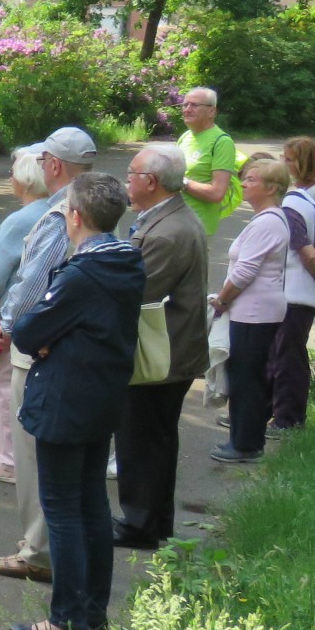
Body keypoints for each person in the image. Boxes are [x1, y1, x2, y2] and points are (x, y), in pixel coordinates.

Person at [7, 173, 145, 630]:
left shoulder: (82, 273)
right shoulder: (127, 260)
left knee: (63, 510)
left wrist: (48, 339)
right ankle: (93, 611)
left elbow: (28, 332)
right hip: (102, 395)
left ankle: (65, 618)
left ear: (76, 217)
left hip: (66, 401)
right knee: (91, 508)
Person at [0, 126, 97, 584]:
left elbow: (32, 283)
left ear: (53, 165)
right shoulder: (100, 203)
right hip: (80, 342)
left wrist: (5, 325)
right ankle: (53, 543)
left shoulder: (58, 213)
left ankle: (38, 550)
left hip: (42, 346)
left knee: (32, 454)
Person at [112, 144, 210, 550]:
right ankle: (153, 521)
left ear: (150, 182)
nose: (127, 181)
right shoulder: (167, 219)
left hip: (160, 355)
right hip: (169, 351)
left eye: (131, 174)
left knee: (141, 439)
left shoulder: (168, 233)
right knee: (155, 439)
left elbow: (134, 293)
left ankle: (141, 525)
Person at [0, 146, 50, 483]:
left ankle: (9, 460)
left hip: (15, 319)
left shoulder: (19, 221)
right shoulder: (61, 211)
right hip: (51, 315)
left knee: (4, 386)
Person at [210, 156, 293, 463]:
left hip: (254, 311)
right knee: (248, 374)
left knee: (246, 377)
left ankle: (245, 444)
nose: (243, 183)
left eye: (252, 180)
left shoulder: (268, 222)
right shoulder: (267, 219)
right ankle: (244, 440)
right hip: (256, 309)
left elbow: (245, 272)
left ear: (272, 187)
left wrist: (222, 299)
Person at [269, 138, 315, 432]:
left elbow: (308, 248)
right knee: (283, 352)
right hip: (300, 289)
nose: (284, 164)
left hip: (297, 288)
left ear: (303, 162)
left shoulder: (303, 198)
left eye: (290, 160)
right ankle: (277, 412)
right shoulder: (307, 195)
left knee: (289, 356)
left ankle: (289, 418)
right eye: (283, 158)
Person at [175, 87, 240, 236]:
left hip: (197, 229)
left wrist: (182, 182)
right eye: (185, 105)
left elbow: (217, 193)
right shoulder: (185, 137)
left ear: (212, 111)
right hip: (175, 224)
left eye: (194, 105)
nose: (187, 109)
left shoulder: (222, 141)